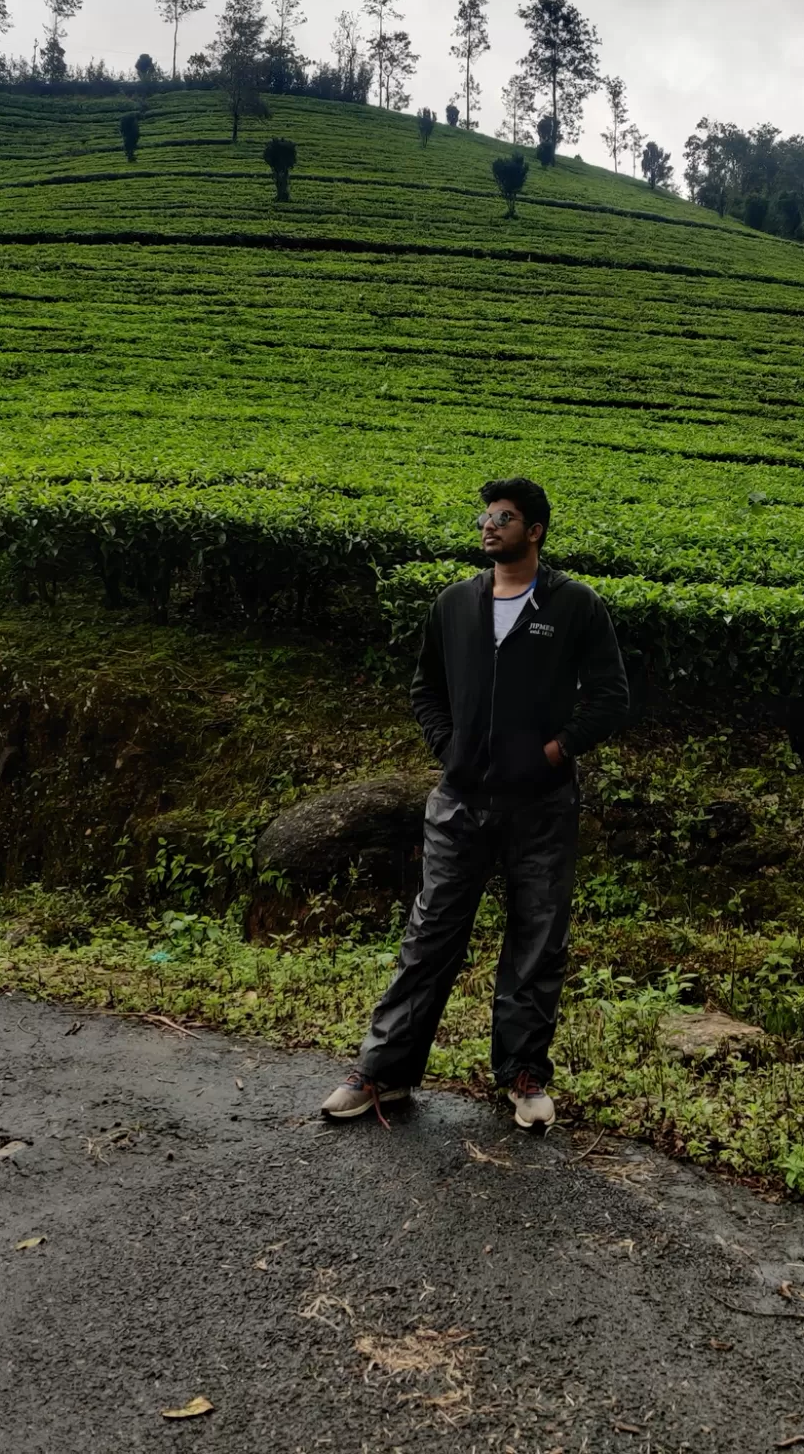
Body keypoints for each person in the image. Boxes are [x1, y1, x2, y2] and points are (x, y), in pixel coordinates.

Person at [321, 477, 629, 1129]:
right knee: (430, 935)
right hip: (459, 800)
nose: (489, 525)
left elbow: (610, 697)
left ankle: (522, 1076)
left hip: (541, 805)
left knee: (537, 939)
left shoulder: (575, 605)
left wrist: (554, 752)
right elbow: (425, 688)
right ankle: (385, 1074)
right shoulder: (455, 604)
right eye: (486, 515)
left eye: (505, 517)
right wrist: (448, 747)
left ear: (535, 530)